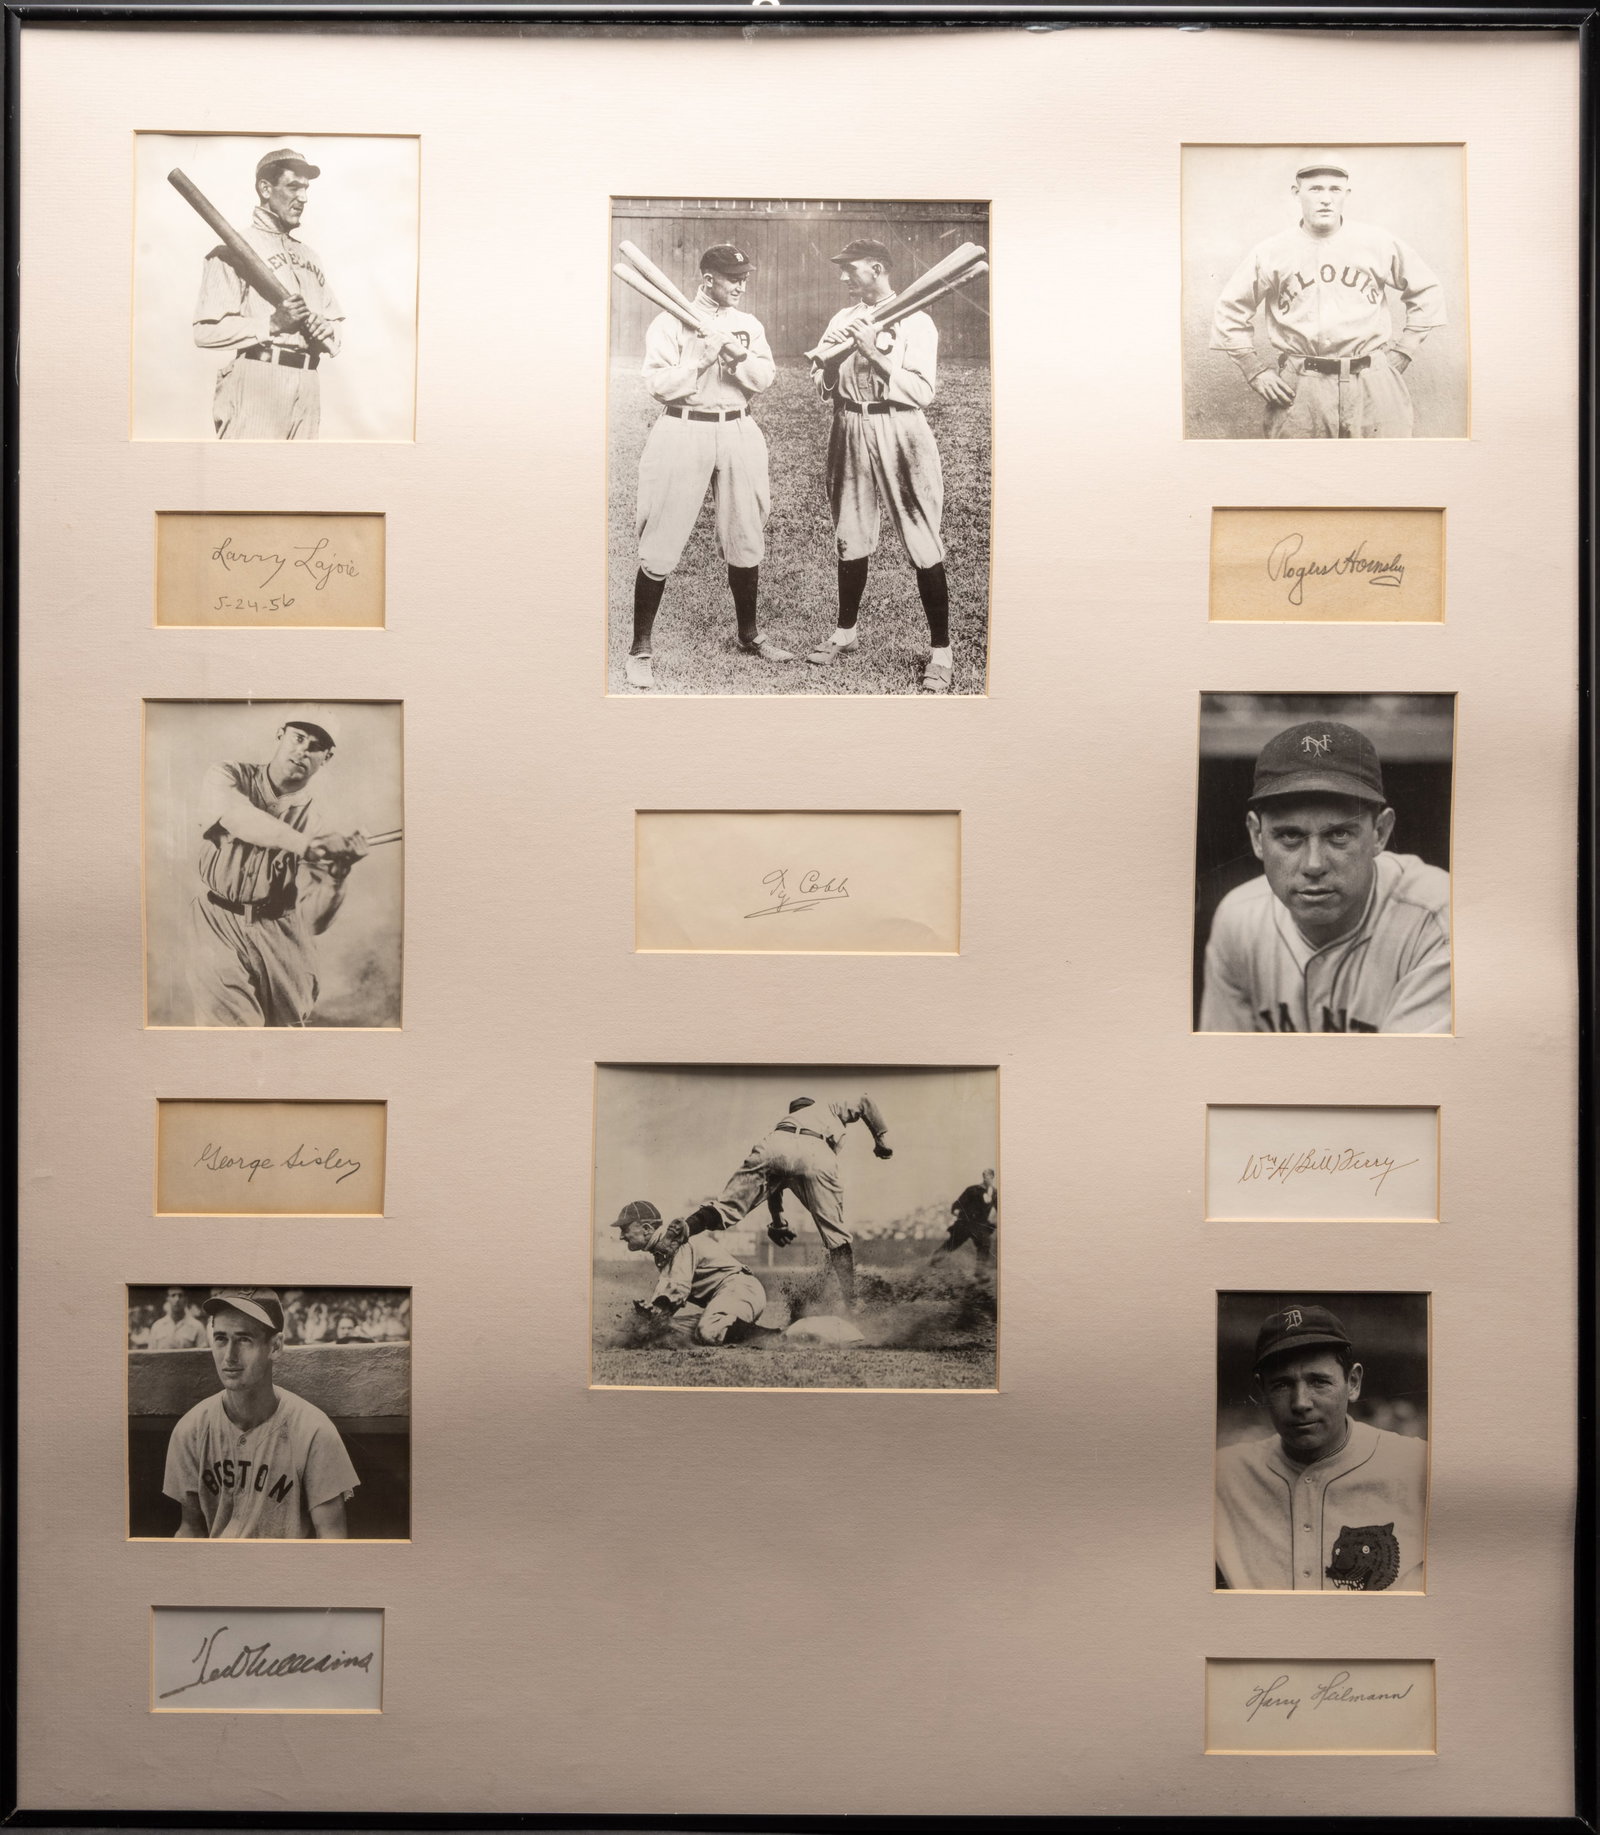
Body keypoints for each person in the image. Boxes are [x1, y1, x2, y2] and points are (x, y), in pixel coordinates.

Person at [1199, 719, 1451, 1034]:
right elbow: (1222, 1062)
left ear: (1380, 833)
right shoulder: (1239, 921)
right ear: (1256, 836)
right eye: (1290, 835)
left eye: (1339, 834)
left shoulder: (1436, 921)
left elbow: (1408, 1069)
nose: (1314, 864)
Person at [626, 245, 790, 690]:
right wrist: (699, 362)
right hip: (683, 428)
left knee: (745, 532)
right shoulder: (669, 321)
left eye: (744, 277)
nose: (740, 285)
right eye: (732, 278)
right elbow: (656, 384)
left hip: (738, 428)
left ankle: (749, 634)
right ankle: (640, 648)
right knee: (661, 536)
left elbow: (764, 379)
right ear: (707, 279)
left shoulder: (748, 325)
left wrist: (733, 354)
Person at [806, 239, 953, 693]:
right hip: (849, 423)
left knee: (922, 537)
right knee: (850, 532)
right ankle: (845, 633)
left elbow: (923, 391)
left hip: (900, 427)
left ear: (877, 268)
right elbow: (822, 382)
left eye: (850, 269)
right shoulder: (843, 318)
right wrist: (831, 364)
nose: (843, 277)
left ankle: (941, 653)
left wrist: (873, 353)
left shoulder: (916, 319)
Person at [1210, 159, 1446, 440]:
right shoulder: (1272, 251)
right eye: (1315, 189)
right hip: (1303, 386)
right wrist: (1254, 370)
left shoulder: (1376, 242)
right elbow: (1230, 310)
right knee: (1300, 466)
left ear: (1347, 194)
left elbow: (1427, 290)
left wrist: (1405, 349)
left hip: (1372, 382)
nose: (1325, 199)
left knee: (1384, 465)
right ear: (1296, 193)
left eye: (1335, 189)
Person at [1215, 1304, 1428, 1592]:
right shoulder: (1222, 1476)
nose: (1300, 1402)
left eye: (1318, 1381)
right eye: (1281, 1385)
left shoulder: (1419, 1465)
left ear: (1353, 1383)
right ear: (1261, 1390)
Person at [185, 713, 371, 1028]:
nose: (303, 750)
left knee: (287, 1033)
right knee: (230, 1033)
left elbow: (313, 921)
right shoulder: (227, 775)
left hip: (280, 933)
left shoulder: (318, 819)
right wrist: (306, 845)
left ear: (326, 757)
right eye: (298, 737)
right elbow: (237, 817)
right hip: (216, 921)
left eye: (316, 746)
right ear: (280, 735)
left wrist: (337, 875)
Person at [663, 1094, 893, 1310]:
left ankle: (684, 1228)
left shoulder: (785, 1124)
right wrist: (880, 1139)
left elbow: (773, 1187)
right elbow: (864, 1100)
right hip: (816, 1151)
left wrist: (778, 1222)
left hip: (773, 1147)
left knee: (725, 1208)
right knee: (837, 1236)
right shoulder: (828, 1109)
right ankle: (852, 1304)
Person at [162, 1288, 359, 1539]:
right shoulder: (191, 1429)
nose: (229, 1356)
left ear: (275, 1347)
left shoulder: (315, 1432)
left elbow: (332, 1539)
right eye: (221, 1338)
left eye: (244, 1339)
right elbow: (190, 1529)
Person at [192, 149, 344, 441]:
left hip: (308, 385)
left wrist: (328, 328)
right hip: (259, 380)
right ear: (265, 188)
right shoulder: (233, 249)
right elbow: (205, 332)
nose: (303, 198)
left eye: (306, 189)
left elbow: (335, 325)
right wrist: (272, 324)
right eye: (293, 187)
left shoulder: (310, 256)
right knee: (248, 469)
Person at [610, 1199, 772, 1345]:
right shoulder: (663, 1247)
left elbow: (677, 1289)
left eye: (624, 1229)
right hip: (728, 1296)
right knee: (664, 1330)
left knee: (708, 1331)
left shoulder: (676, 1241)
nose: (621, 1236)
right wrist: (650, 1316)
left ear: (646, 1228)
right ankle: (731, 1324)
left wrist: (655, 1311)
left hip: (740, 1289)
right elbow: (669, 1298)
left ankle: (776, 1337)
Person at [931, 1169, 997, 1266]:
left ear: (993, 1177)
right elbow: (957, 1205)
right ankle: (933, 1261)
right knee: (952, 1244)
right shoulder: (972, 1190)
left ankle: (980, 1270)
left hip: (980, 1225)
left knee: (985, 1244)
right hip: (965, 1224)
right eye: (986, 1176)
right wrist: (957, 1212)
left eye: (990, 1176)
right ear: (983, 1177)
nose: (988, 1178)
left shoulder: (994, 1193)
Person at [147, 1286, 207, 1352]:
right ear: (168, 1299)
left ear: (186, 1299)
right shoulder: (157, 1326)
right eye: (173, 1295)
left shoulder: (197, 1326)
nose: (177, 1299)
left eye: (180, 1296)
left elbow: (203, 1355)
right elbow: (150, 1354)